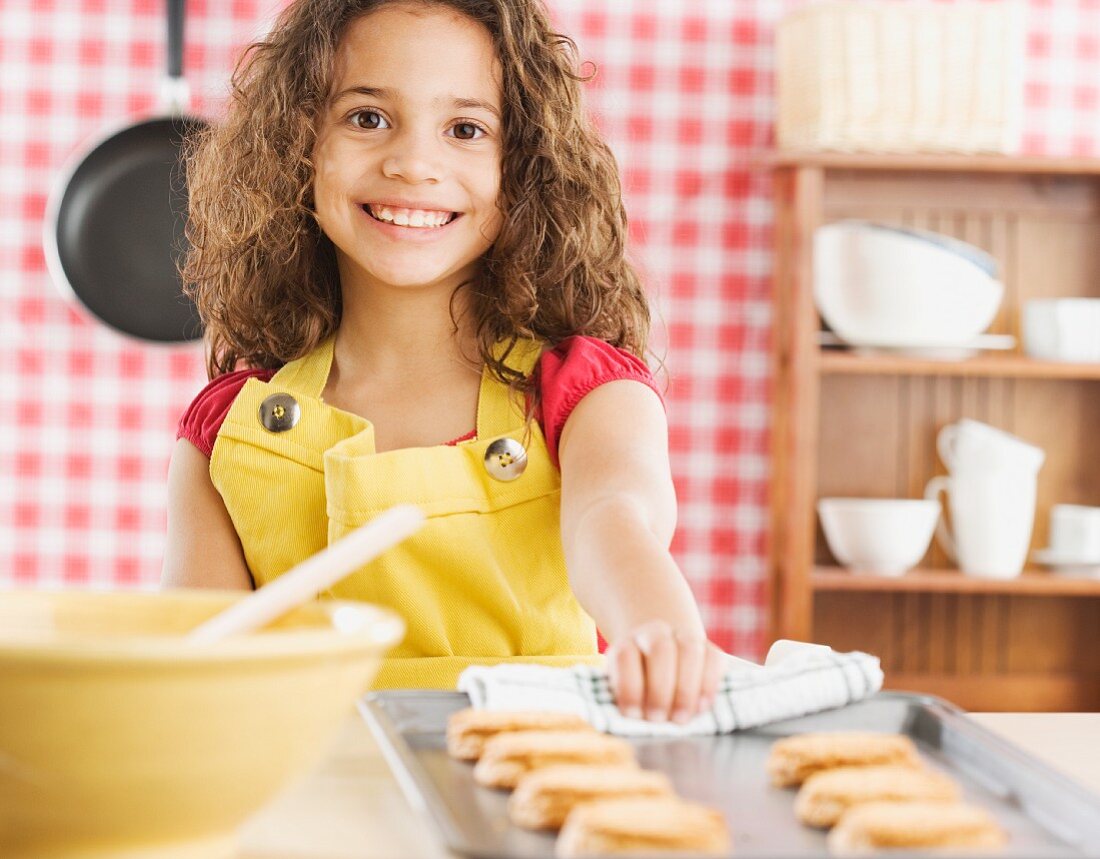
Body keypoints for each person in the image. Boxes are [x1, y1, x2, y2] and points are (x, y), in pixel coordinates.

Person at [162, 0, 724, 724]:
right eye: (367, 117)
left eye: (465, 129)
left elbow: (611, 519)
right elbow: (197, 676)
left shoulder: (584, 395)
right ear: (297, 144)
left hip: (526, 801)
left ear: (521, 165)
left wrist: (656, 623)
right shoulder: (227, 436)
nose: (413, 164)